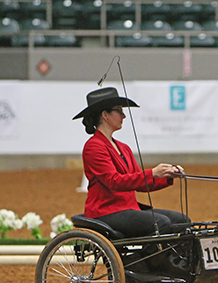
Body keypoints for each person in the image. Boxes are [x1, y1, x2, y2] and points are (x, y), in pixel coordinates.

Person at [73, 87, 190, 237]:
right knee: (160, 223)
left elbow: (138, 180)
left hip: (128, 209)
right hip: (106, 211)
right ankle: (152, 260)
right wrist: (153, 172)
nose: (123, 116)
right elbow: (113, 181)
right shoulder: (94, 146)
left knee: (182, 220)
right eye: (119, 111)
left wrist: (166, 176)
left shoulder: (123, 148)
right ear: (105, 115)